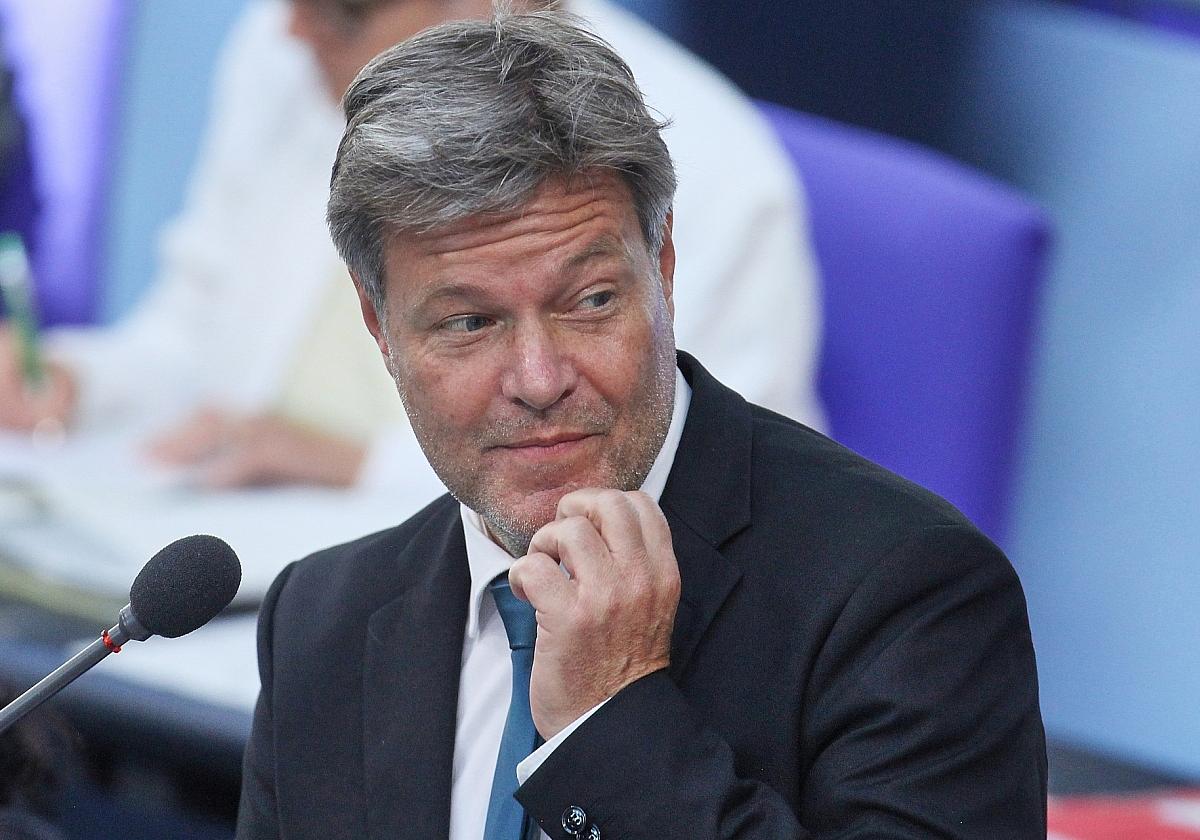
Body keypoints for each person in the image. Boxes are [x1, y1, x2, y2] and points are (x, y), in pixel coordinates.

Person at [236, 10, 1046, 839]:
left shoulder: (910, 601)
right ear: (380, 326)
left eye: (590, 302)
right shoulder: (322, 625)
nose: (539, 380)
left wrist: (608, 724)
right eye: (469, 323)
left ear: (662, 268)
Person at [0, 0, 821, 501]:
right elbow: (195, 331)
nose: (293, 29)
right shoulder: (290, 51)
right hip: (237, 548)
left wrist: (351, 464)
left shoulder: (710, 162)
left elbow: (707, 478)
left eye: (344, 12)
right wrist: (74, 381)